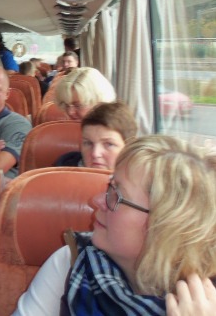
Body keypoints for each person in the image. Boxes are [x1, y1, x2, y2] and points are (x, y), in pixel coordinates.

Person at [14, 135, 216, 316]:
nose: (97, 200)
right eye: (110, 187)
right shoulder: (71, 263)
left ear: (165, 226)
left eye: (117, 195)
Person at [55, 102, 137, 169]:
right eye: (88, 143)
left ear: (128, 148)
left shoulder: (139, 181)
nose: (95, 154)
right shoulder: (60, 175)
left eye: (109, 144)